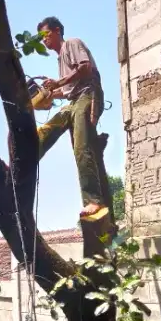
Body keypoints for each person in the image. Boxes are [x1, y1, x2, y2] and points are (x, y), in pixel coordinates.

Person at [36, 16, 108, 219]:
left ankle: (93, 200)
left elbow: (85, 68)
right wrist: (48, 95)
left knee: (81, 147)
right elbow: (67, 90)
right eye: (41, 38)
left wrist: (58, 83)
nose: (44, 40)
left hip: (88, 94)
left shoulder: (72, 44)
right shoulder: (60, 59)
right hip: (74, 100)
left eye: (46, 34)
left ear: (57, 31)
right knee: (46, 131)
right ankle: (23, 162)